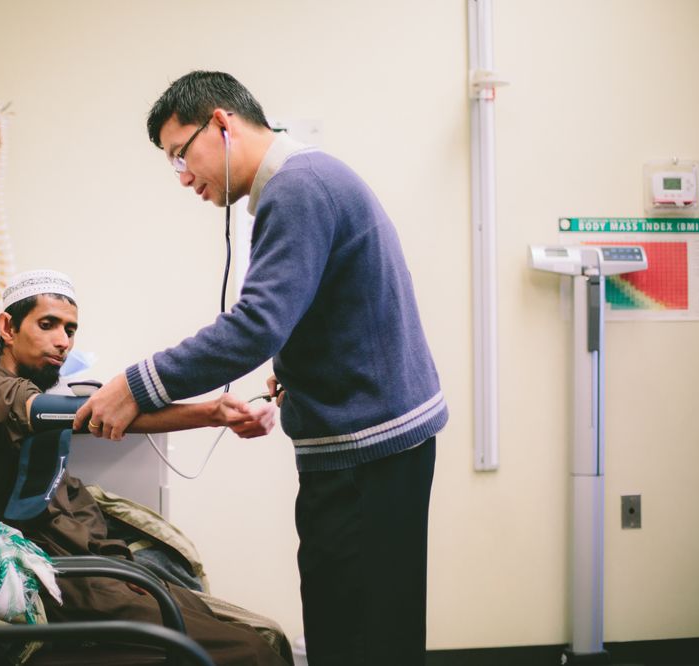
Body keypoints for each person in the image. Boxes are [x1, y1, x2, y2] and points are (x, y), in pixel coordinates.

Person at [74, 71, 449, 665]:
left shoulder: (297, 187)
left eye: (181, 155)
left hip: (368, 452)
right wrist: (298, 369)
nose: (183, 177)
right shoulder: (304, 178)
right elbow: (321, 307)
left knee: (358, 635)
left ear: (221, 122)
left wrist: (135, 385)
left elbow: (256, 324)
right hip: (377, 438)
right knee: (370, 621)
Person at [0, 268, 290, 666]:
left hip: (97, 568)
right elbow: (84, 415)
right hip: (61, 581)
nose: (62, 342)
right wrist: (211, 412)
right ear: (7, 327)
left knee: (263, 632)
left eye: (70, 330)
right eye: (47, 324)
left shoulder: (26, 394)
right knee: (251, 651)